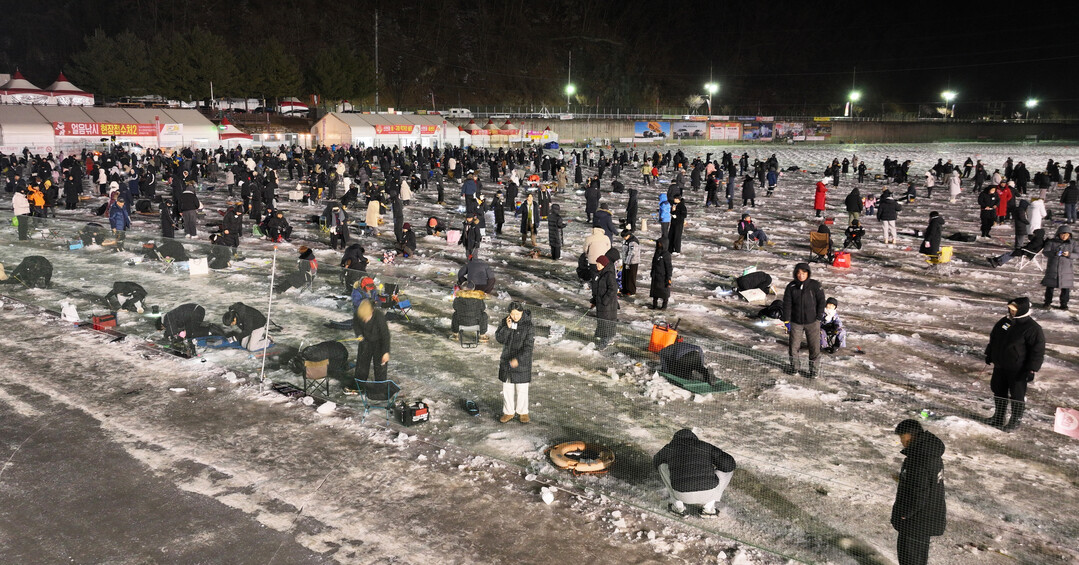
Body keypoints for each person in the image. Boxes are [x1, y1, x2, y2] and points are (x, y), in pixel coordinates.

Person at [983, 297, 1045, 431]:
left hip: (1018, 369)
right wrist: (990, 354)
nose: (1011, 312)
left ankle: (1015, 421)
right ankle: (999, 417)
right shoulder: (1006, 323)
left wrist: (1031, 369)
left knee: (1017, 395)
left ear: (1022, 310)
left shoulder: (1032, 328)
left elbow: (1037, 350)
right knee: (998, 390)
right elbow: (995, 338)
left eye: (1014, 310)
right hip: (1000, 365)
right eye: (1010, 309)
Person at [891, 419, 947, 565]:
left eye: (902, 437)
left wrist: (904, 514)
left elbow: (919, 494)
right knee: (919, 557)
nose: (902, 442)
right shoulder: (931, 453)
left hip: (915, 521)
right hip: (928, 516)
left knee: (908, 557)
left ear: (910, 436)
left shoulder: (917, 460)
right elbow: (925, 483)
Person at [653, 429, 736, 517]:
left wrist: (674, 464)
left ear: (675, 439)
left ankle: (678, 508)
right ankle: (708, 509)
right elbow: (728, 464)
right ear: (694, 438)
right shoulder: (704, 445)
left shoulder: (669, 447)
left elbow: (656, 462)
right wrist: (712, 469)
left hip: (681, 494)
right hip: (708, 494)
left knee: (662, 466)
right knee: (728, 470)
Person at [782, 262, 826, 377]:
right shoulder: (791, 287)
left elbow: (822, 301)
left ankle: (814, 371)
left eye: (804, 273)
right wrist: (786, 320)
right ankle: (795, 368)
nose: (801, 275)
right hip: (796, 322)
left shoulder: (815, 285)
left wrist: (819, 317)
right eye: (799, 273)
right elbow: (787, 304)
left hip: (812, 322)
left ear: (808, 273)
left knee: (814, 348)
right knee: (793, 347)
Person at [495, 301, 534, 423]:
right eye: (512, 314)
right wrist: (507, 327)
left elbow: (529, 347)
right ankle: (508, 412)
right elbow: (500, 339)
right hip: (507, 360)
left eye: (517, 314)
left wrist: (518, 359)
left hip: (521, 362)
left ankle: (523, 412)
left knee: (522, 389)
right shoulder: (505, 322)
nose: (515, 317)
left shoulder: (528, 326)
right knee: (507, 388)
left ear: (522, 312)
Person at [352, 299, 391, 382]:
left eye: (367, 318)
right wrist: (359, 334)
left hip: (379, 343)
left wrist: (386, 352)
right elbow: (355, 324)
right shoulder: (358, 314)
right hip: (365, 341)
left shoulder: (379, 316)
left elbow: (385, 335)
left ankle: (380, 388)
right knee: (361, 366)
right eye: (363, 319)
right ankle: (359, 385)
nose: (365, 321)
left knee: (380, 367)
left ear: (372, 311)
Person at [1041, 225, 1073, 309]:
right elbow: (1045, 252)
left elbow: (1077, 253)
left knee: (1065, 288)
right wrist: (1054, 253)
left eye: (1066, 235)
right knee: (1050, 286)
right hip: (1053, 268)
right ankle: (1047, 302)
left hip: (1066, 270)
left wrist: (1069, 254)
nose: (1064, 236)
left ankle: (1064, 304)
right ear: (1058, 234)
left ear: (1069, 235)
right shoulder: (1051, 242)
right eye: (1062, 234)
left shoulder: (1072, 243)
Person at [590, 255, 619, 349]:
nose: (597, 265)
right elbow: (597, 289)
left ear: (604, 265)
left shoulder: (609, 274)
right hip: (601, 303)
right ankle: (607, 339)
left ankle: (605, 341)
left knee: (606, 322)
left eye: (599, 263)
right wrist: (594, 300)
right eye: (597, 263)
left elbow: (613, 289)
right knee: (602, 321)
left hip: (608, 305)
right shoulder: (598, 274)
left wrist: (604, 300)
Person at [650, 237, 673, 310]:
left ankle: (664, 305)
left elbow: (669, 267)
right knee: (655, 292)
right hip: (656, 275)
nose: (659, 244)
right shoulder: (657, 252)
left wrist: (668, 277)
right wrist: (652, 272)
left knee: (664, 292)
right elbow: (653, 263)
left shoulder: (666, 255)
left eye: (660, 243)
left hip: (663, 276)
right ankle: (655, 304)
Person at [620, 229, 640, 296]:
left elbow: (631, 253)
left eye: (625, 237)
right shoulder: (626, 241)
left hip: (632, 263)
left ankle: (631, 291)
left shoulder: (633, 242)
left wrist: (627, 263)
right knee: (625, 276)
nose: (624, 238)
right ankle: (625, 289)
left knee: (630, 277)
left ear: (628, 235)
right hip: (626, 261)